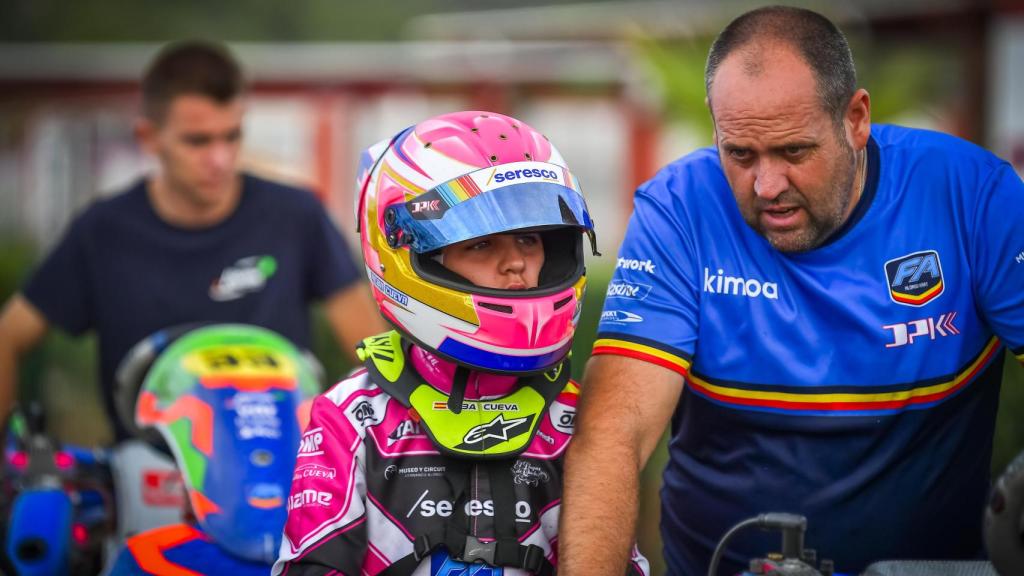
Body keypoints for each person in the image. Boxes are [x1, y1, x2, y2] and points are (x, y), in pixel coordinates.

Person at [560, 6, 1024, 575]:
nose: (767, 185)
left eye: (794, 151)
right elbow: (613, 433)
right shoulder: (680, 209)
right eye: (740, 154)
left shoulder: (971, 196)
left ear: (856, 119)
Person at [272, 111, 649, 575]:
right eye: (481, 244)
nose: (515, 263)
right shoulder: (352, 417)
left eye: (529, 239)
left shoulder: (581, 418)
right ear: (410, 256)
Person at [0, 40, 385, 441]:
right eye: (198, 141)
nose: (220, 159)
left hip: (279, 461)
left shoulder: (296, 215)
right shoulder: (103, 230)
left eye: (231, 136)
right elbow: (8, 336)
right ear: (149, 138)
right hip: (143, 467)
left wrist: (359, 445)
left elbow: (375, 352)